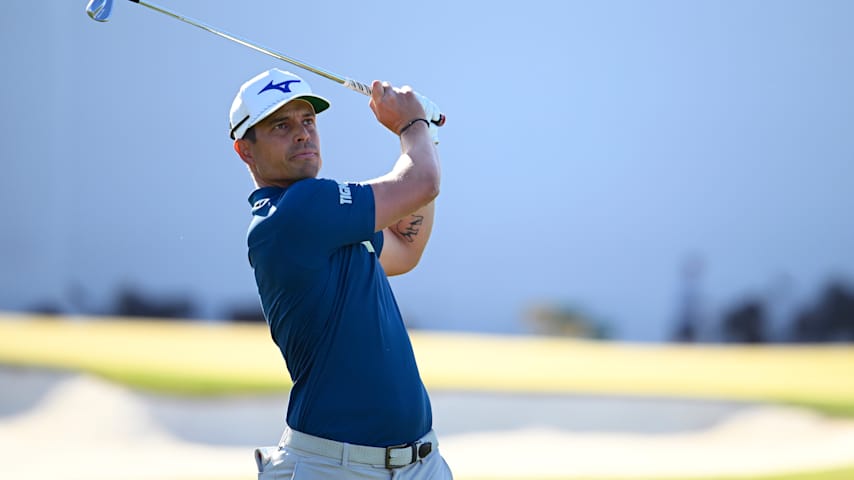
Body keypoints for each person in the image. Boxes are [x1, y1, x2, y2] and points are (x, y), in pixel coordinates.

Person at [228, 67, 452, 479]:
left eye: (308, 121)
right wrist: (412, 125)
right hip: (335, 467)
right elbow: (422, 181)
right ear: (246, 150)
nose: (302, 133)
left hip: (420, 464)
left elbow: (405, 249)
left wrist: (426, 136)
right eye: (281, 125)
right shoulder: (300, 209)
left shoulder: (325, 216)